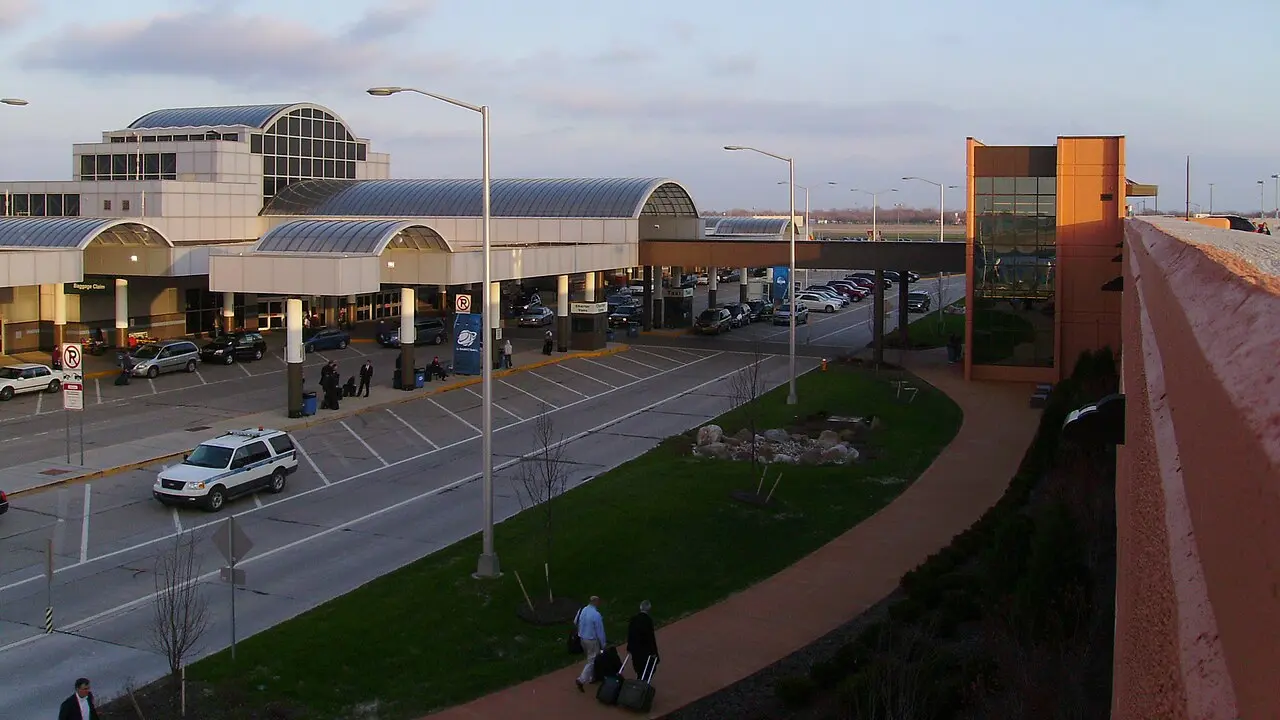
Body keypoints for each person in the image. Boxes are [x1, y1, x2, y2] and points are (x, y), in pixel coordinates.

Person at [574, 596, 607, 692]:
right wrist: (603, 644)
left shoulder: (582, 610)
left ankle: (592, 677)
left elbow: (575, 621)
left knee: (589, 657)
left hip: (582, 638)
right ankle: (581, 679)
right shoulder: (596, 615)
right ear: (596, 602)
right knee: (592, 660)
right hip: (592, 640)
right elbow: (600, 632)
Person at [626, 600, 659, 681]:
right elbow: (650, 637)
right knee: (649, 668)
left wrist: (629, 647)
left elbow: (630, 634)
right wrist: (654, 652)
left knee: (639, 668)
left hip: (635, 650)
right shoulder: (648, 620)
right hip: (645, 650)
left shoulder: (633, 619)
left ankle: (640, 680)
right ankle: (642, 684)